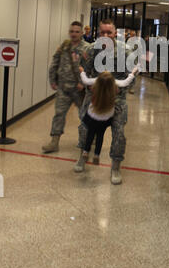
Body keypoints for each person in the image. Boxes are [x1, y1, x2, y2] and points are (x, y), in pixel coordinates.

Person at [76, 19, 135, 185]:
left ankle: (115, 166)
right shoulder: (91, 50)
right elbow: (84, 71)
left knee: (119, 133)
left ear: (115, 33)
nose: (105, 35)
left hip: (117, 98)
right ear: (98, 32)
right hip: (94, 96)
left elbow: (132, 77)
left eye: (109, 32)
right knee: (84, 127)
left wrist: (118, 89)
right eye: (102, 32)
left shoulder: (126, 51)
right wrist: (88, 86)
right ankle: (83, 156)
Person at [74, 67, 138, 172]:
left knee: (118, 133)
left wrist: (82, 72)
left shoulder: (126, 54)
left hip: (107, 106)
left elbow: (85, 80)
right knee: (90, 131)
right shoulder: (113, 82)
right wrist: (133, 73)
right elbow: (125, 82)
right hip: (102, 109)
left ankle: (115, 166)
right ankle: (87, 155)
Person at [42, 21, 89, 153]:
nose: (74, 34)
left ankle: (88, 140)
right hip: (63, 88)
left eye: (77, 32)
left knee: (85, 116)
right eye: (72, 31)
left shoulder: (87, 48)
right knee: (59, 114)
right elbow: (55, 62)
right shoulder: (64, 46)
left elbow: (90, 69)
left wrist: (83, 83)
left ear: (81, 33)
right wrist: (52, 80)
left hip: (79, 90)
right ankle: (54, 142)